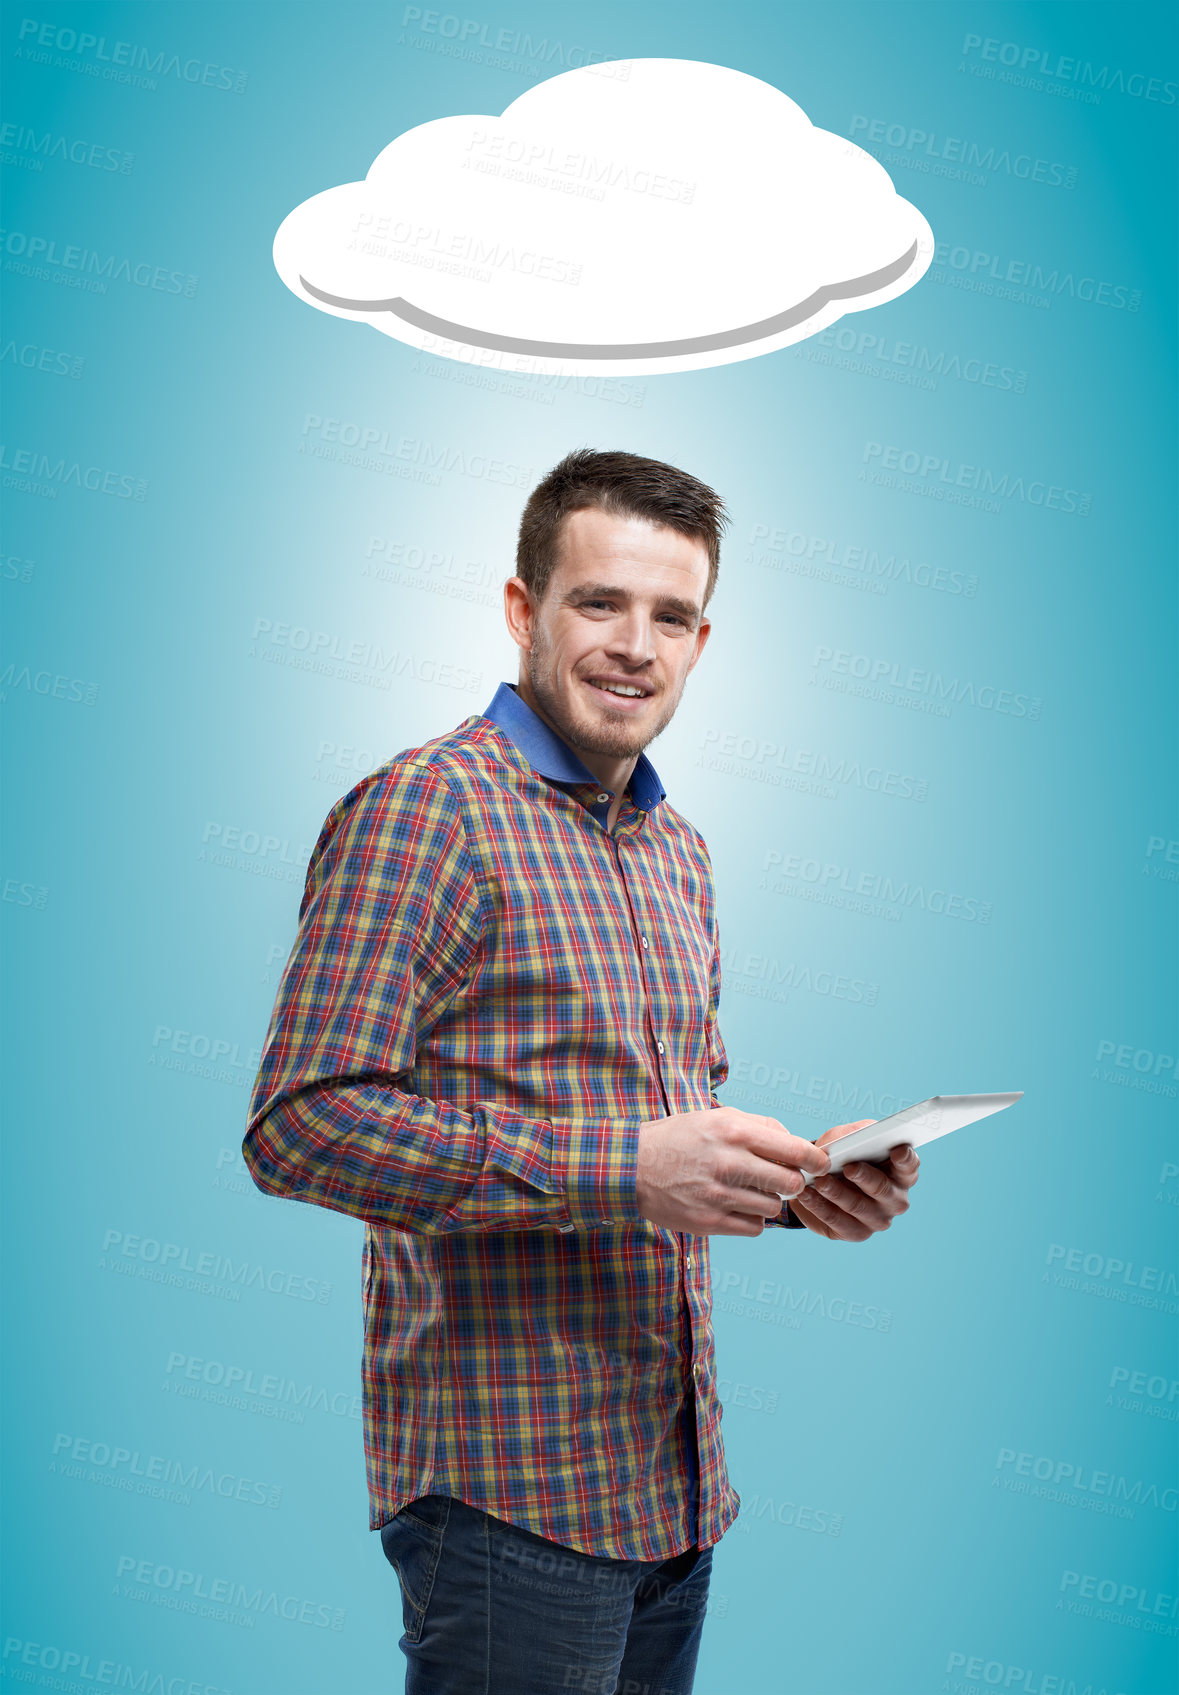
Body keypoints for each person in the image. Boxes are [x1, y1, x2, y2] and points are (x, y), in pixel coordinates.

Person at [242, 448, 920, 1694]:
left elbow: (667, 1143)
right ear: (523, 609)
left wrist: (801, 1183)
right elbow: (297, 1125)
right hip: (510, 1498)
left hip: (675, 1489)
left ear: (703, 641)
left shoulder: (680, 854)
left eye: (670, 615)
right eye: (599, 602)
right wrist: (620, 1167)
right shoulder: (425, 813)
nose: (634, 645)